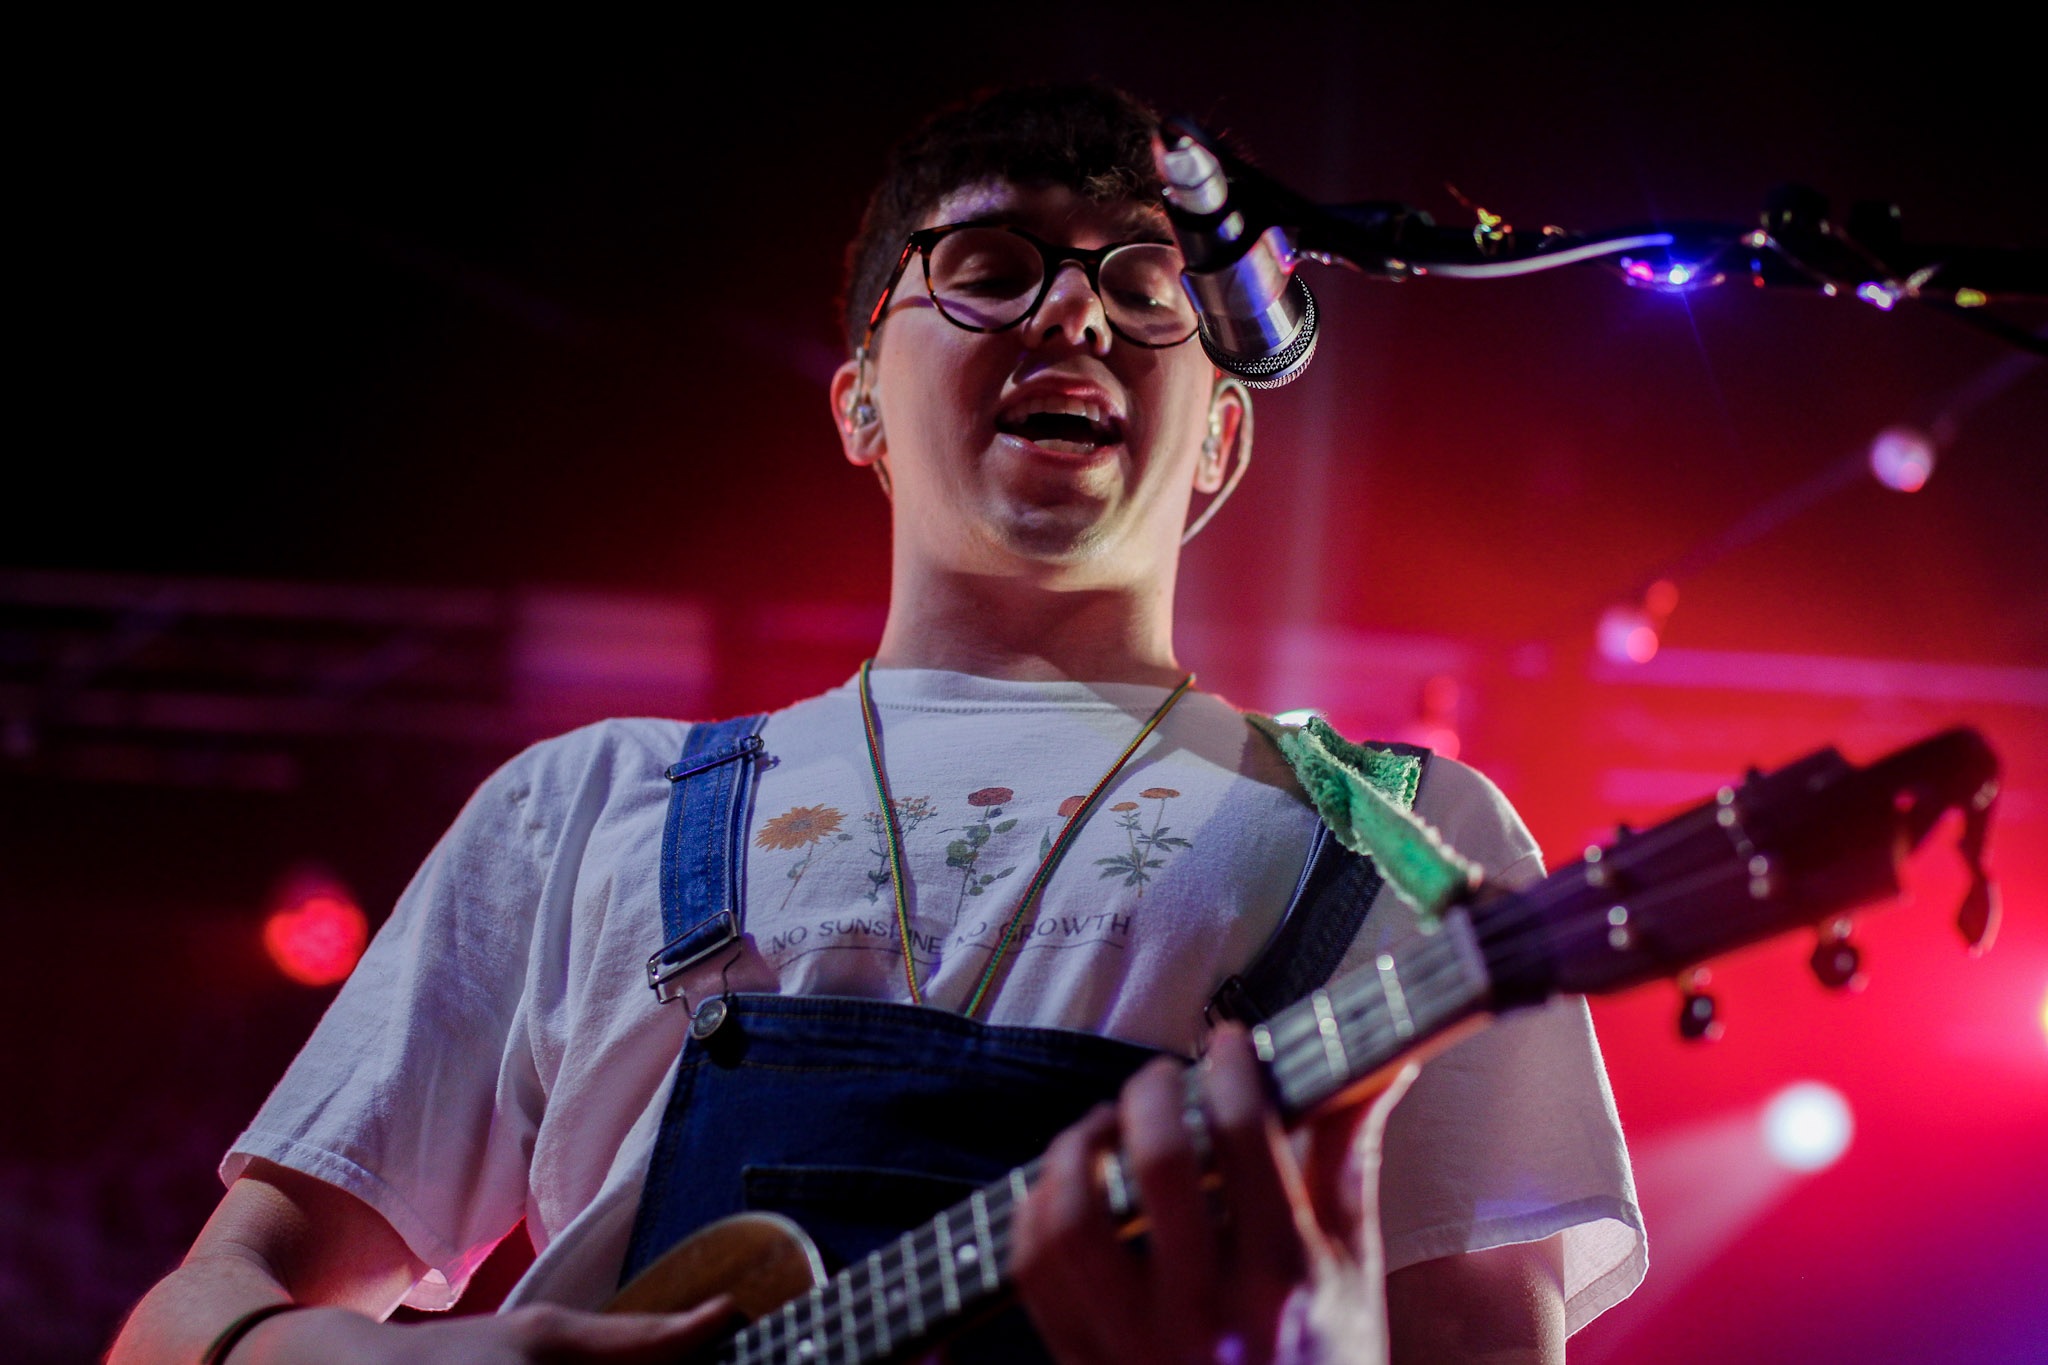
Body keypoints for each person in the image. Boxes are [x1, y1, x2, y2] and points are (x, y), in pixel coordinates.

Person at [110, 83, 1642, 1365]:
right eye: (991, 267)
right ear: (856, 405)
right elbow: (186, 1321)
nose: (1072, 312)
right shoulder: (585, 803)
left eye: (1143, 286)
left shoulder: (1403, 841)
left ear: (1222, 440)